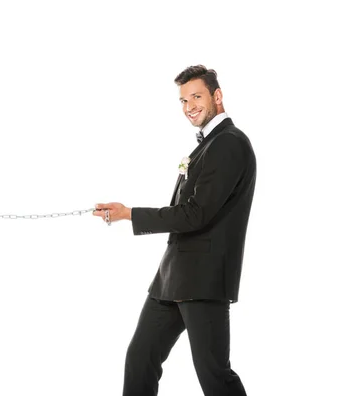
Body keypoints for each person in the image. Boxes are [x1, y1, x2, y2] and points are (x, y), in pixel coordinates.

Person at [94, 65, 255, 396]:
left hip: (204, 280)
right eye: (183, 100)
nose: (189, 106)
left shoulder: (229, 144)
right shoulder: (208, 145)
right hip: (172, 278)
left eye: (196, 96)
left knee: (214, 375)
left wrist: (129, 214)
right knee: (140, 358)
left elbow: (195, 215)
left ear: (217, 96)